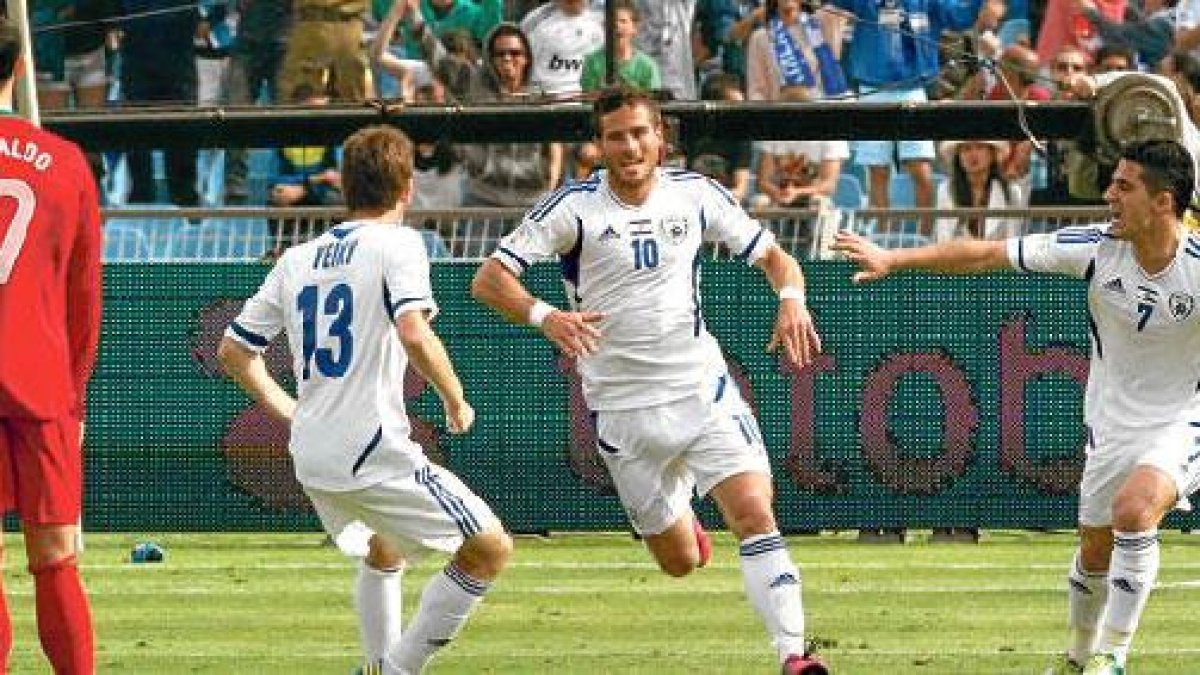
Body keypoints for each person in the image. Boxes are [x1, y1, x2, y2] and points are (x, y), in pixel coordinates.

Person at [470, 87, 828, 675]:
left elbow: (775, 259)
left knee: (755, 514)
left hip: (702, 390)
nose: (631, 146)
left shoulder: (696, 193)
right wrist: (546, 315)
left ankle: (793, 655)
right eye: (617, 136)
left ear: (661, 137)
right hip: (623, 410)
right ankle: (684, 524)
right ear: (600, 145)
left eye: (641, 133)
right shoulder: (573, 209)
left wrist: (791, 299)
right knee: (680, 562)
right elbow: (489, 280)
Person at [832, 139, 1200, 675]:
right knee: (1095, 551)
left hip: (1182, 417)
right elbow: (986, 253)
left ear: (1163, 202)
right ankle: (1077, 659)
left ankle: (1112, 657)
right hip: (1111, 422)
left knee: (1135, 511)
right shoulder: (1094, 247)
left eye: (1124, 186)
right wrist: (895, 257)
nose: (1108, 194)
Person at [218, 124, 512, 674]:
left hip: (312, 455)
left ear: (347, 187)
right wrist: (456, 397)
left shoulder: (297, 258)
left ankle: (379, 663)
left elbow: (233, 351)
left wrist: (288, 412)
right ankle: (396, 671)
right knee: (490, 547)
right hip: (371, 449)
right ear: (407, 189)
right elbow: (413, 330)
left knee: (386, 546)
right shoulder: (399, 243)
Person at [0, 18, 102, 675]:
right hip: (40, 383)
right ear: (14, 67)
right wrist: (77, 397)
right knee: (55, 552)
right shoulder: (64, 163)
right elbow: (83, 300)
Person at [933, 139, 1023, 241]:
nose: (973, 154)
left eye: (980, 147)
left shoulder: (1011, 192)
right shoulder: (945, 190)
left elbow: (1012, 243)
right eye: (966, 149)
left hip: (996, 255)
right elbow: (944, 239)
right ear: (959, 156)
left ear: (992, 154)